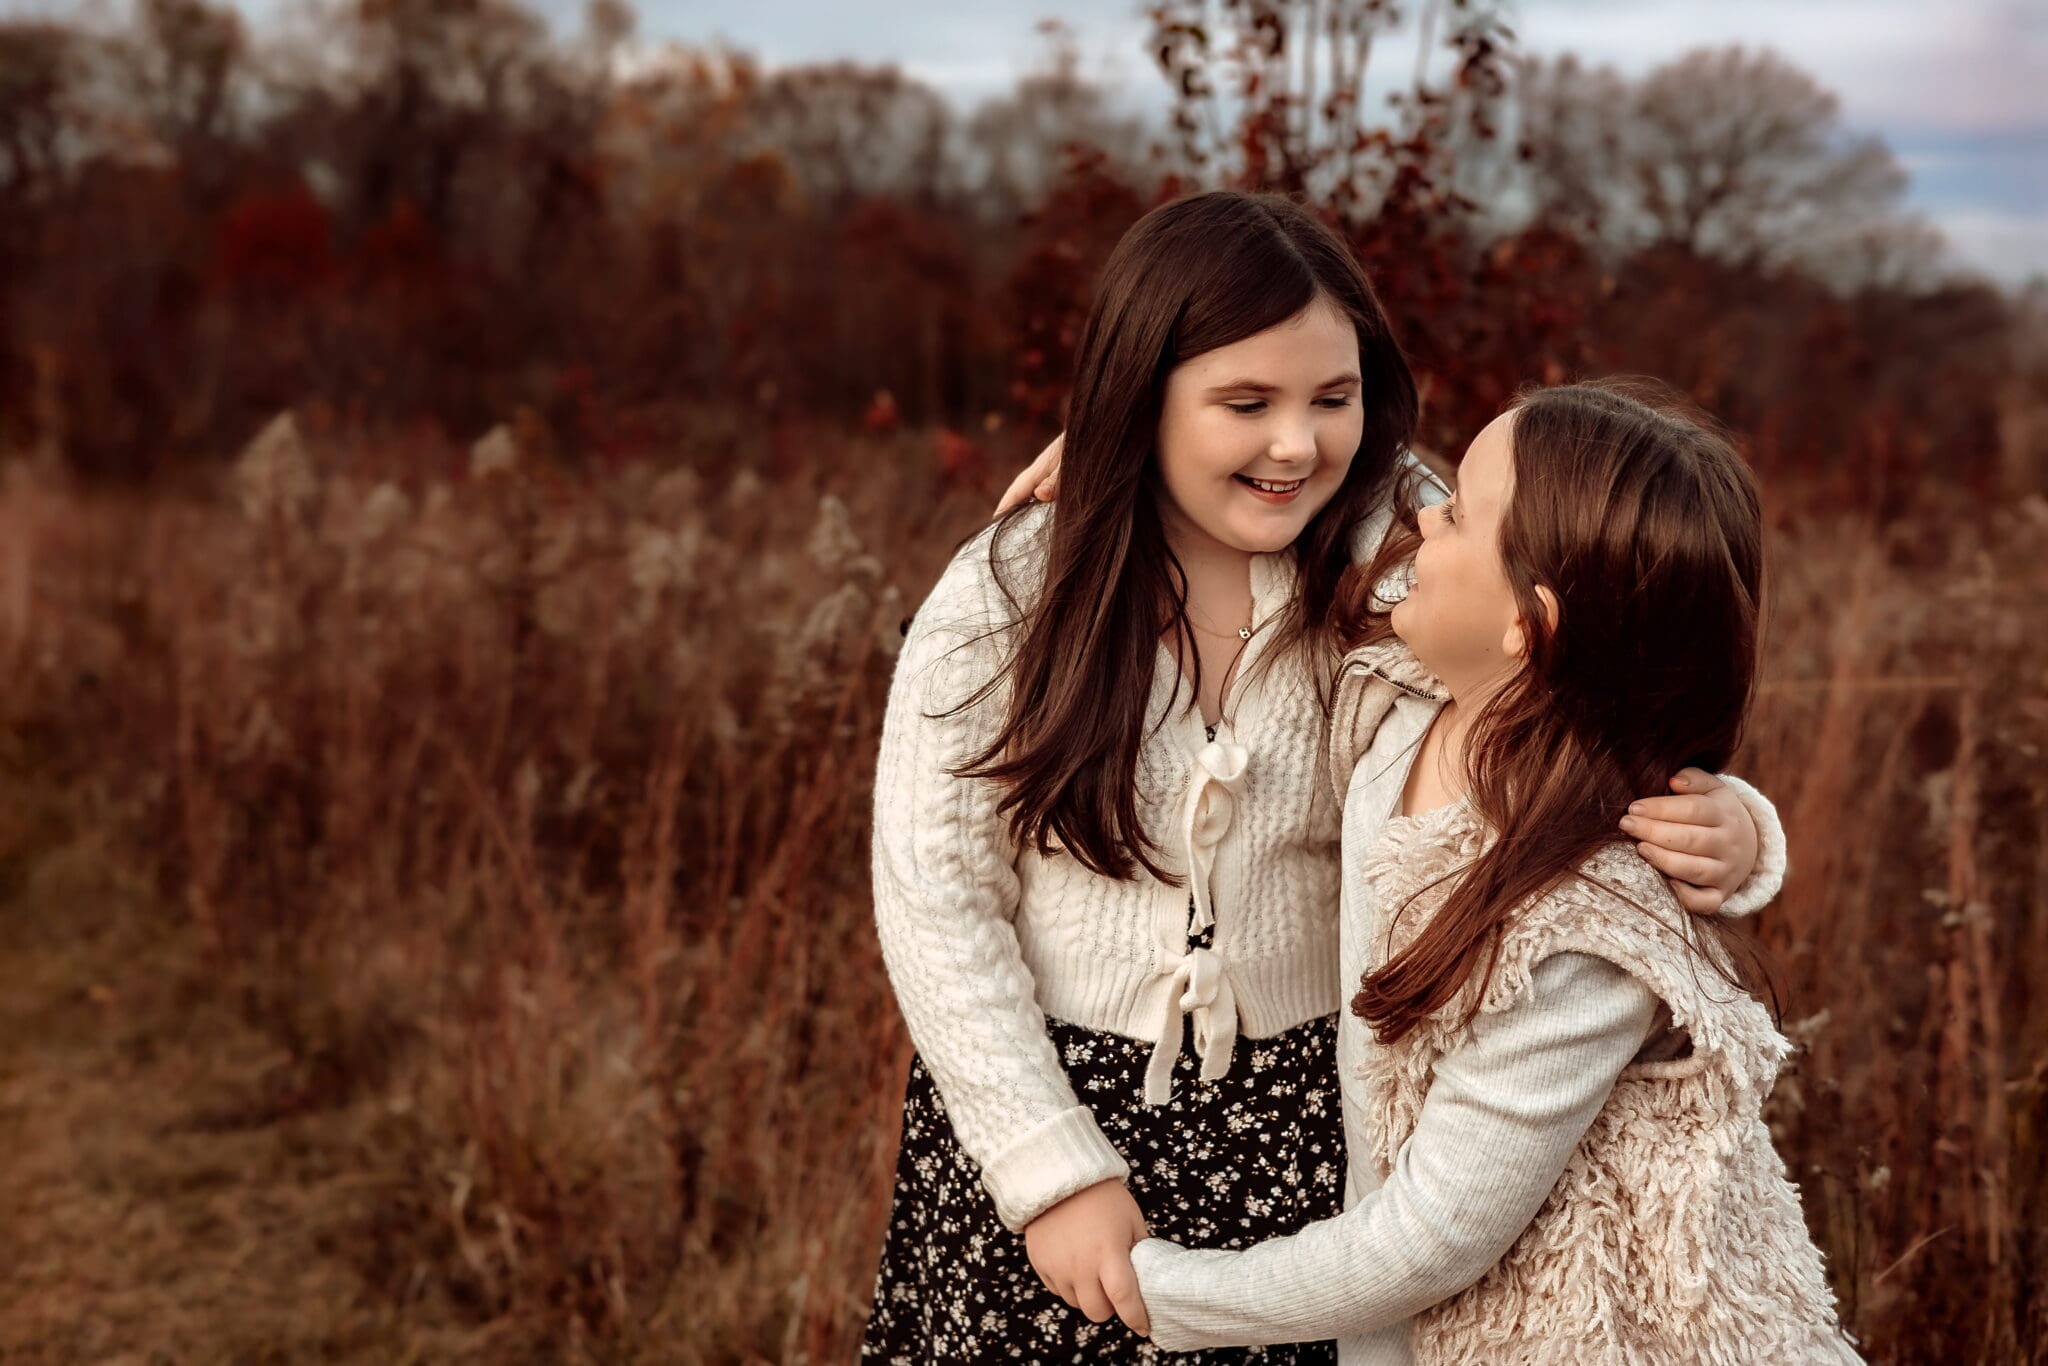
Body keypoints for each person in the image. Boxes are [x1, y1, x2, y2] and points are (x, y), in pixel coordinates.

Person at [862, 193, 1783, 1363]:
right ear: (1138, 397)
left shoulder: (1392, 552)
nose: (1295, 443)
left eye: (1331, 399)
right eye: (1243, 403)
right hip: (1037, 1112)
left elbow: (1577, 677)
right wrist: (1045, 1167)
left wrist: (1734, 827)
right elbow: (932, 889)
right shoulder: (1011, 591)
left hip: (1303, 1132)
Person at [1115, 379, 1861, 1364]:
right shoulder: (1411, 693)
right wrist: (1121, 461)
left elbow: (1433, 1236)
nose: (1421, 516)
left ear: (1530, 625)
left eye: (1457, 513)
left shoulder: (1577, 933)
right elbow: (1325, 481)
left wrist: (1162, 1294)